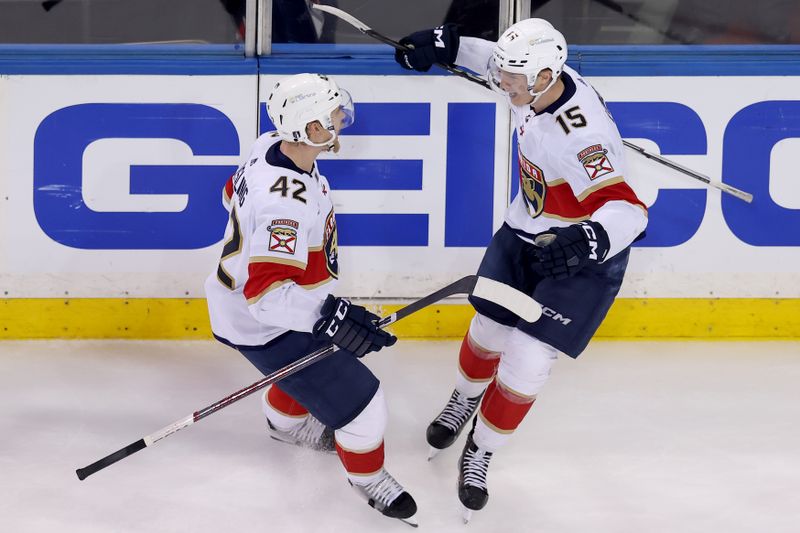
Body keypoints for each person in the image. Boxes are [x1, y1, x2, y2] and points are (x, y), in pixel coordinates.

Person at [395, 19, 649, 522]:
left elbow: (631, 212)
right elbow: (495, 59)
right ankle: (463, 399)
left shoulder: (582, 137)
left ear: (545, 75)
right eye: (505, 75)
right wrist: (447, 45)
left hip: (582, 254)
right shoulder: (531, 77)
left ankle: (482, 448)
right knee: (488, 327)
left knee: (528, 362)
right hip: (525, 230)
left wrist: (589, 239)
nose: (502, 83)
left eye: (513, 78)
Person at [204, 73, 417, 526]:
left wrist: (327, 315)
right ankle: (370, 479)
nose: (343, 117)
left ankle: (285, 427)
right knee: (364, 404)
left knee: (307, 369)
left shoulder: (269, 146)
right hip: (266, 323)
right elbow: (265, 298)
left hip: (241, 307)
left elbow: (230, 193)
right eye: (333, 114)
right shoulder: (287, 204)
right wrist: (331, 316)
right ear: (311, 129)